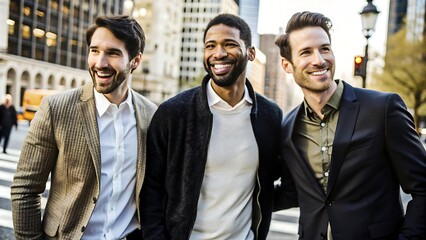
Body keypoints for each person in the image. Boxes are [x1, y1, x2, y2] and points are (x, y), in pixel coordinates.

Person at [140, 13, 297, 240]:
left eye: (230, 44)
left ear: (250, 53)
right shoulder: (174, 113)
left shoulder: (270, 115)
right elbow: (151, 190)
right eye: (210, 46)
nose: (218, 53)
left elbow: (280, 182)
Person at [274, 11, 426, 240]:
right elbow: (293, 192)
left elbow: (423, 188)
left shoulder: (383, 109)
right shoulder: (288, 127)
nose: (319, 59)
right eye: (306, 52)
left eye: (324, 48)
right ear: (287, 64)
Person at [11, 16, 157, 239]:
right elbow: (25, 189)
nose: (100, 63)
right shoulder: (56, 108)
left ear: (135, 61)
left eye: (113, 53)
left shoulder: (151, 116)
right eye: (94, 50)